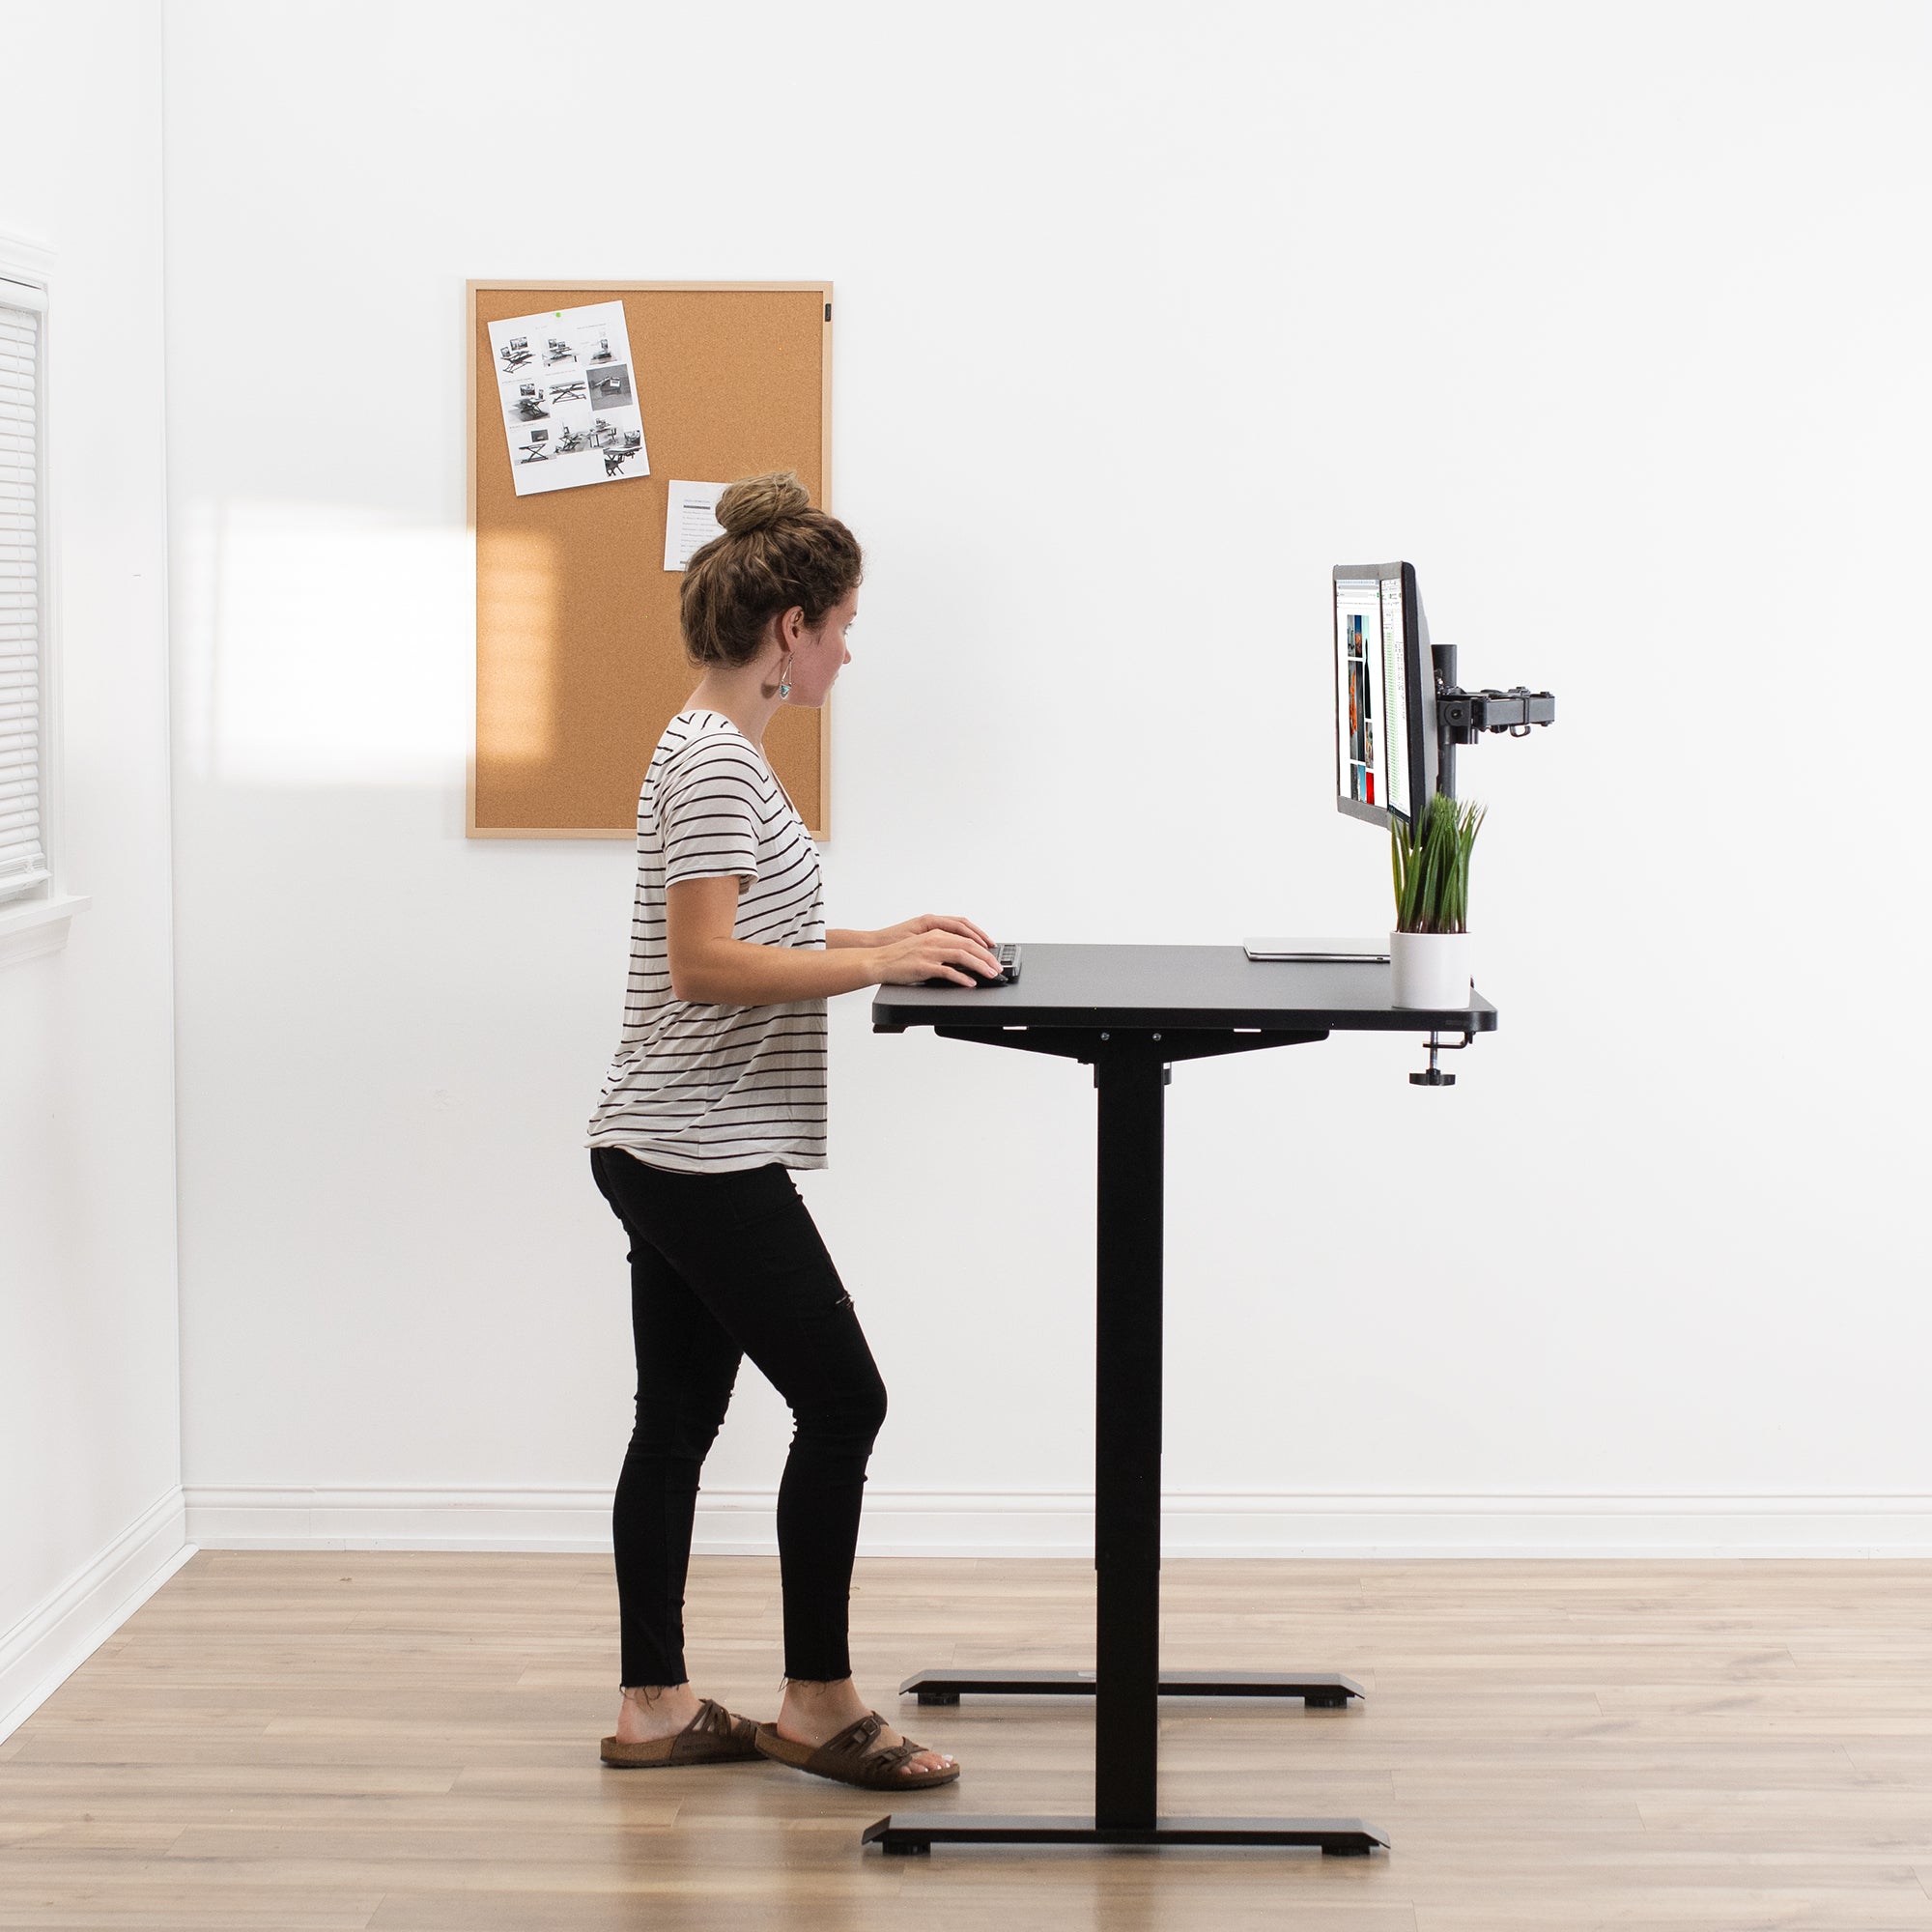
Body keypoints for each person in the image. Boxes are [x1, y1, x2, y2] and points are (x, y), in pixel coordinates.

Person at [584, 471, 997, 1788]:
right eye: (845, 626)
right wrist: (877, 968)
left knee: (678, 1422)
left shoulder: (710, 746)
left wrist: (882, 937)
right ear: (792, 627)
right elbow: (707, 964)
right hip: (695, 1146)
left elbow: (744, 933)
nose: (850, 651)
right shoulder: (714, 760)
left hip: (668, 1138)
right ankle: (816, 1702)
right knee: (845, 1398)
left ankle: (656, 1707)